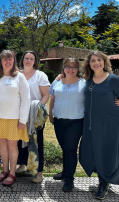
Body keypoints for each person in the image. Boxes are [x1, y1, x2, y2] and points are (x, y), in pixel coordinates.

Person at [0, 50, 30, 186]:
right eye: (5, 59)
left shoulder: (19, 77)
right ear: (0, 61)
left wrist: (23, 119)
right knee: (2, 144)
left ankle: (12, 173)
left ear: (13, 61)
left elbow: (26, 99)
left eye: (10, 59)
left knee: (12, 145)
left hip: (14, 119)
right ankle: (4, 170)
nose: (7, 61)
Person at [79, 51, 119, 200]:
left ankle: (104, 182)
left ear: (104, 62)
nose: (96, 63)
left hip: (110, 123)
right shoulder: (88, 80)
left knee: (107, 151)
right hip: (90, 123)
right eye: (93, 61)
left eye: (99, 60)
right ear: (89, 64)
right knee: (91, 151)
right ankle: (102, 176)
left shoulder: (113, 79)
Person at [49, 58, 85, 192]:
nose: (71, 69)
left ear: (78, 69)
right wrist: (50, 115)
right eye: (68, 66)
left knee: (70, 150)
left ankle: (69, 179)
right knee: (65, 148)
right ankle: (65, 172)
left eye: (74, 67)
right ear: (63, 68)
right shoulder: (57, 81)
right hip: (59, 120)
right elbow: (52, 97)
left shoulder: (84, 83)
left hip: (76, 121)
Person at [16, 51, 50, 183]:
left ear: (35, 61)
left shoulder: (40, 76)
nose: (28, 61)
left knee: (36, 143)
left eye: (31, 59)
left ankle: (39, 173)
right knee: (21, 141)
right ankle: (23, 165)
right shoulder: (17, 74)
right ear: (22, 59)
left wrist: (35, 110)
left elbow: (45, 95)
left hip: (35, 116)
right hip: (19, 114)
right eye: (26, 58)